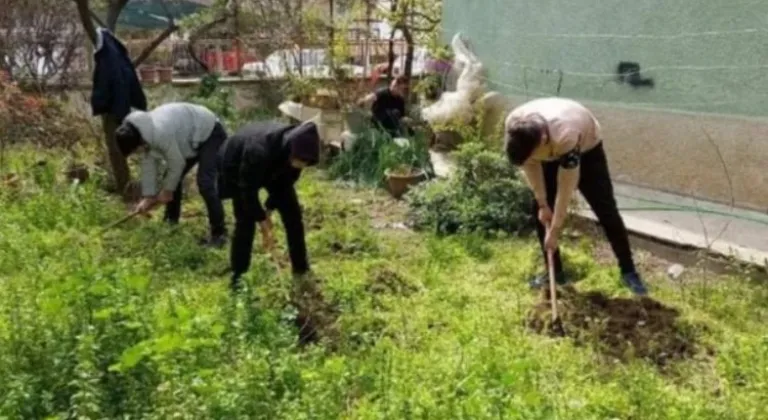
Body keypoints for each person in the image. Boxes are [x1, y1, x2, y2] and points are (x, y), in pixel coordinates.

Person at [503, 97, 648, 295]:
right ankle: (555, 273)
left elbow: (566, 190)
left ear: (542, 141)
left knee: (606, 210)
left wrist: (554, 231)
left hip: (587, 149)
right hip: (548, 147)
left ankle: (629, 271)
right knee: (539, 211)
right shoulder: (515, 126)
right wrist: (543, 203)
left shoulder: (566, 136)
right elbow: (530, 165)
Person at [217, 116, 324, 289]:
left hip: (273, 165)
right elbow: (247, 190)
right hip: (236, 163)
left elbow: (287, 181)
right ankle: (238, 276)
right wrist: (262, 219)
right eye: (299, 161)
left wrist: (269, 208)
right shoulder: (258, 150)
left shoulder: (298, 150)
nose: (300, 165)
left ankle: (301, 269)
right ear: (291, 150)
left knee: (293, 216)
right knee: (245, 222)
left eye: (305, 163)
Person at [115, 102, 228, 247]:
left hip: (210, 132)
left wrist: (166, 192)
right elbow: (149, 165)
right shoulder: (141, 132)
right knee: (171, 179)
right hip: (189, 138)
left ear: (139, 142)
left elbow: (177, 164)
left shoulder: (159, 131)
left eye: (135, 150)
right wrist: (148, 198)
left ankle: (219, 234)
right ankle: (170, 223)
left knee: (205, 182)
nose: (137, 153)